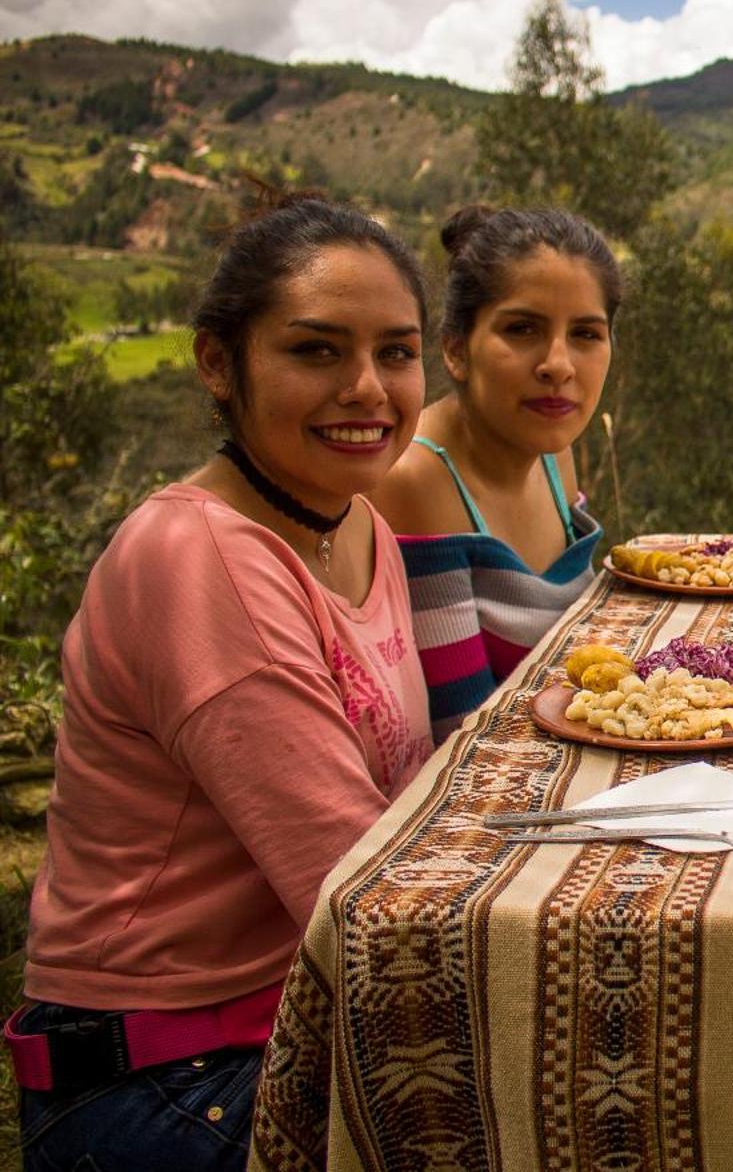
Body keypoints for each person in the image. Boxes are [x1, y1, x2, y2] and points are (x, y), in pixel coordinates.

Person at [10, 192, 436, 1171]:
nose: (368, 388)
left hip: (281, 1018)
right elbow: (353, 886)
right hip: (170, 1077)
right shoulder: (202, 558)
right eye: (317, 351)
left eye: (397, 352)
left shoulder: (355, 521)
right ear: (218, 361)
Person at [369, 206, 613, 742]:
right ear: (457, 349)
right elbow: (465, 729)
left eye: (586, 334)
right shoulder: (417, 480)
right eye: (522, 329)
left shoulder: (553, 453)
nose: (559, 364)